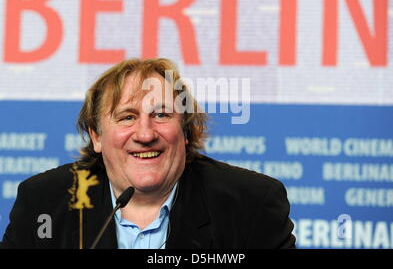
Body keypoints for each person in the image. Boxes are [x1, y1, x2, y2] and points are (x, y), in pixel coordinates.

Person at [1, 58, 296, 249]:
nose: (145, 134)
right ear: (97, 136)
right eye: (127, 117)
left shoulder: (251, 204)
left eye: (162, 115)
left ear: (186, 130)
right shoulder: (43, 202)